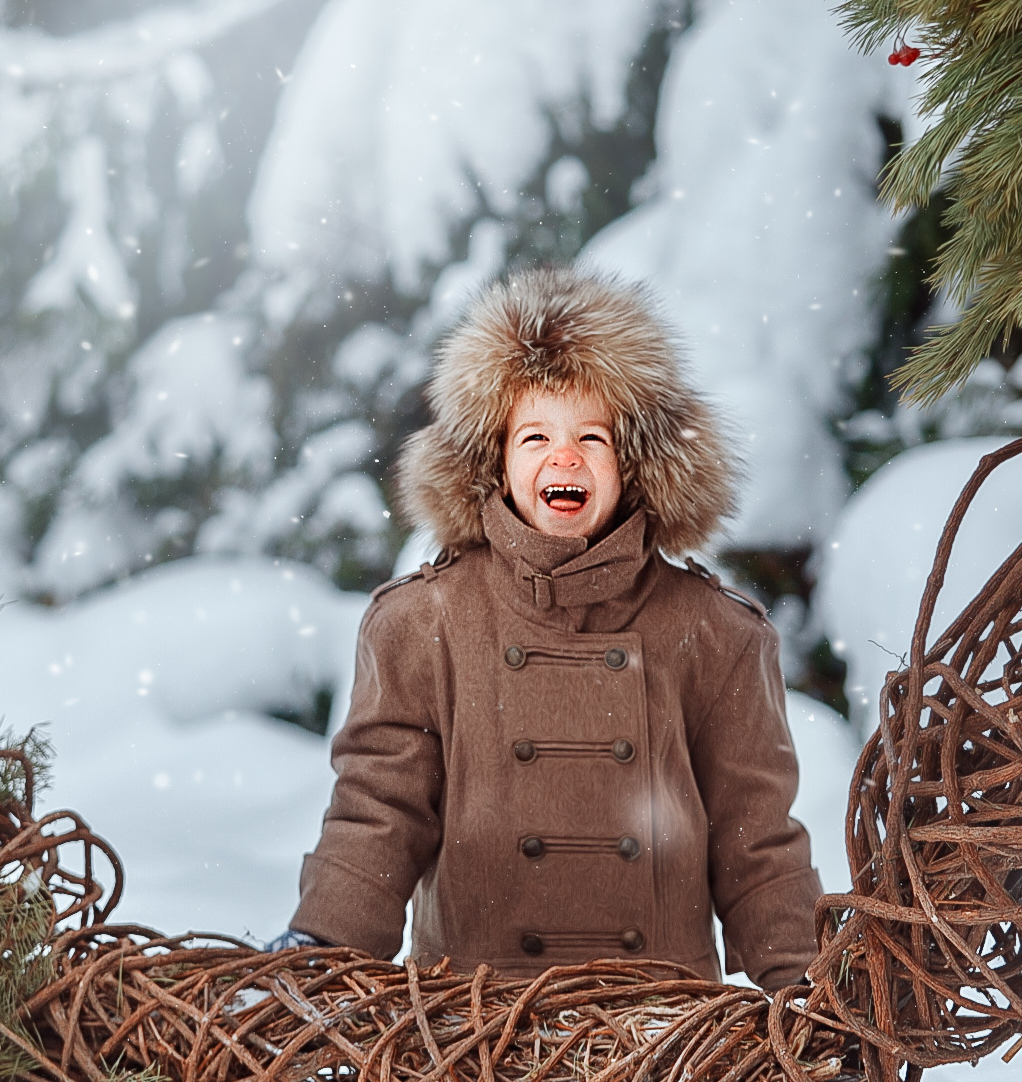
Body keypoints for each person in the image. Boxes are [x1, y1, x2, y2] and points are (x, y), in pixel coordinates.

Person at [271, 267, 822, 987]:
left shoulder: (713, 633)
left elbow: (757, 842)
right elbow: (379, 811)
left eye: (592, 437)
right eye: (534, 436)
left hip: (661, 1033)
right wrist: (323, 947)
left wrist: (805, 989)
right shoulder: (423, 622)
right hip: (470, 1024)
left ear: (635, 464)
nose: (564, 457)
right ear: (492, 462)